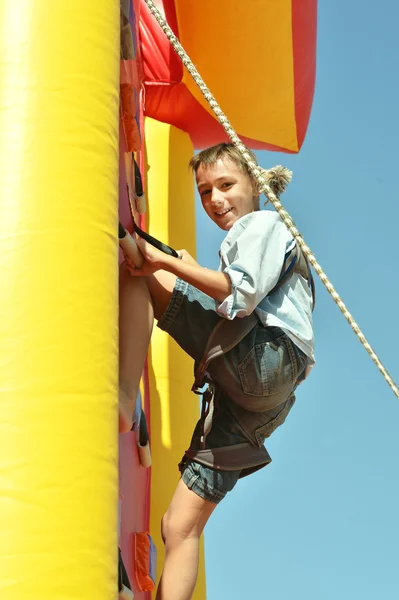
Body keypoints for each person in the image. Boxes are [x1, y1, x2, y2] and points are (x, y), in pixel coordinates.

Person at [118, 142, 315, 600]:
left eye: (226, 186)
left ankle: (125, 394)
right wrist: (188, 270)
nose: (216, 201)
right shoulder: (251, 235)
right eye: (205, 192)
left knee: (139, 267)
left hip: (266, 359)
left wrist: (168, 264)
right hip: (257, 403)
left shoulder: (262, 223)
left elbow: (238, 295)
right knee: (179, 526)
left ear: (255, 185)